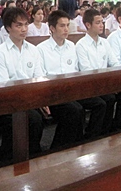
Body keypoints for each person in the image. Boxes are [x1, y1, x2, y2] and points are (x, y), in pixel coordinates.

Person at [0, 7, 44, 156]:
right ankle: (14, 157)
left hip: (31, 97)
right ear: (8, 28)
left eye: (26, 25)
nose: (23, 29)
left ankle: (33, 154)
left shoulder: (33, 50)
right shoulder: (0, 53)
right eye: (18, 25)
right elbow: (4, 83)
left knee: (36, 118)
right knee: (33, 119)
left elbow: (39, 76)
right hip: (10, 99)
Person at [36, 10, 84, 147]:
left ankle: (76, 146)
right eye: (62, 26)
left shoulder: (71, 46)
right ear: (52, 28)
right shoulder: (42, 49)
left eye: (67, 25)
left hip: (71, 90)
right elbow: (42, 75)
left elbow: (75, 70)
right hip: (52, 94)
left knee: (79, 108)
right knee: (74, 110)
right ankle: (58, 148)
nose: (66, 29)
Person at [76, 9, 121, 135]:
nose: (101, 26)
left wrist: (119, 77)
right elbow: (86, 70)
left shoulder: (105, 42)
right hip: (89, 84)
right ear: (88, 25)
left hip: (104, 82)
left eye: (102, 23)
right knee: (106, 100)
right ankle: (93, 133)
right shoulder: (81, 45)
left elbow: (114, 62)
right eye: (98, 23)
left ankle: (112, 127)